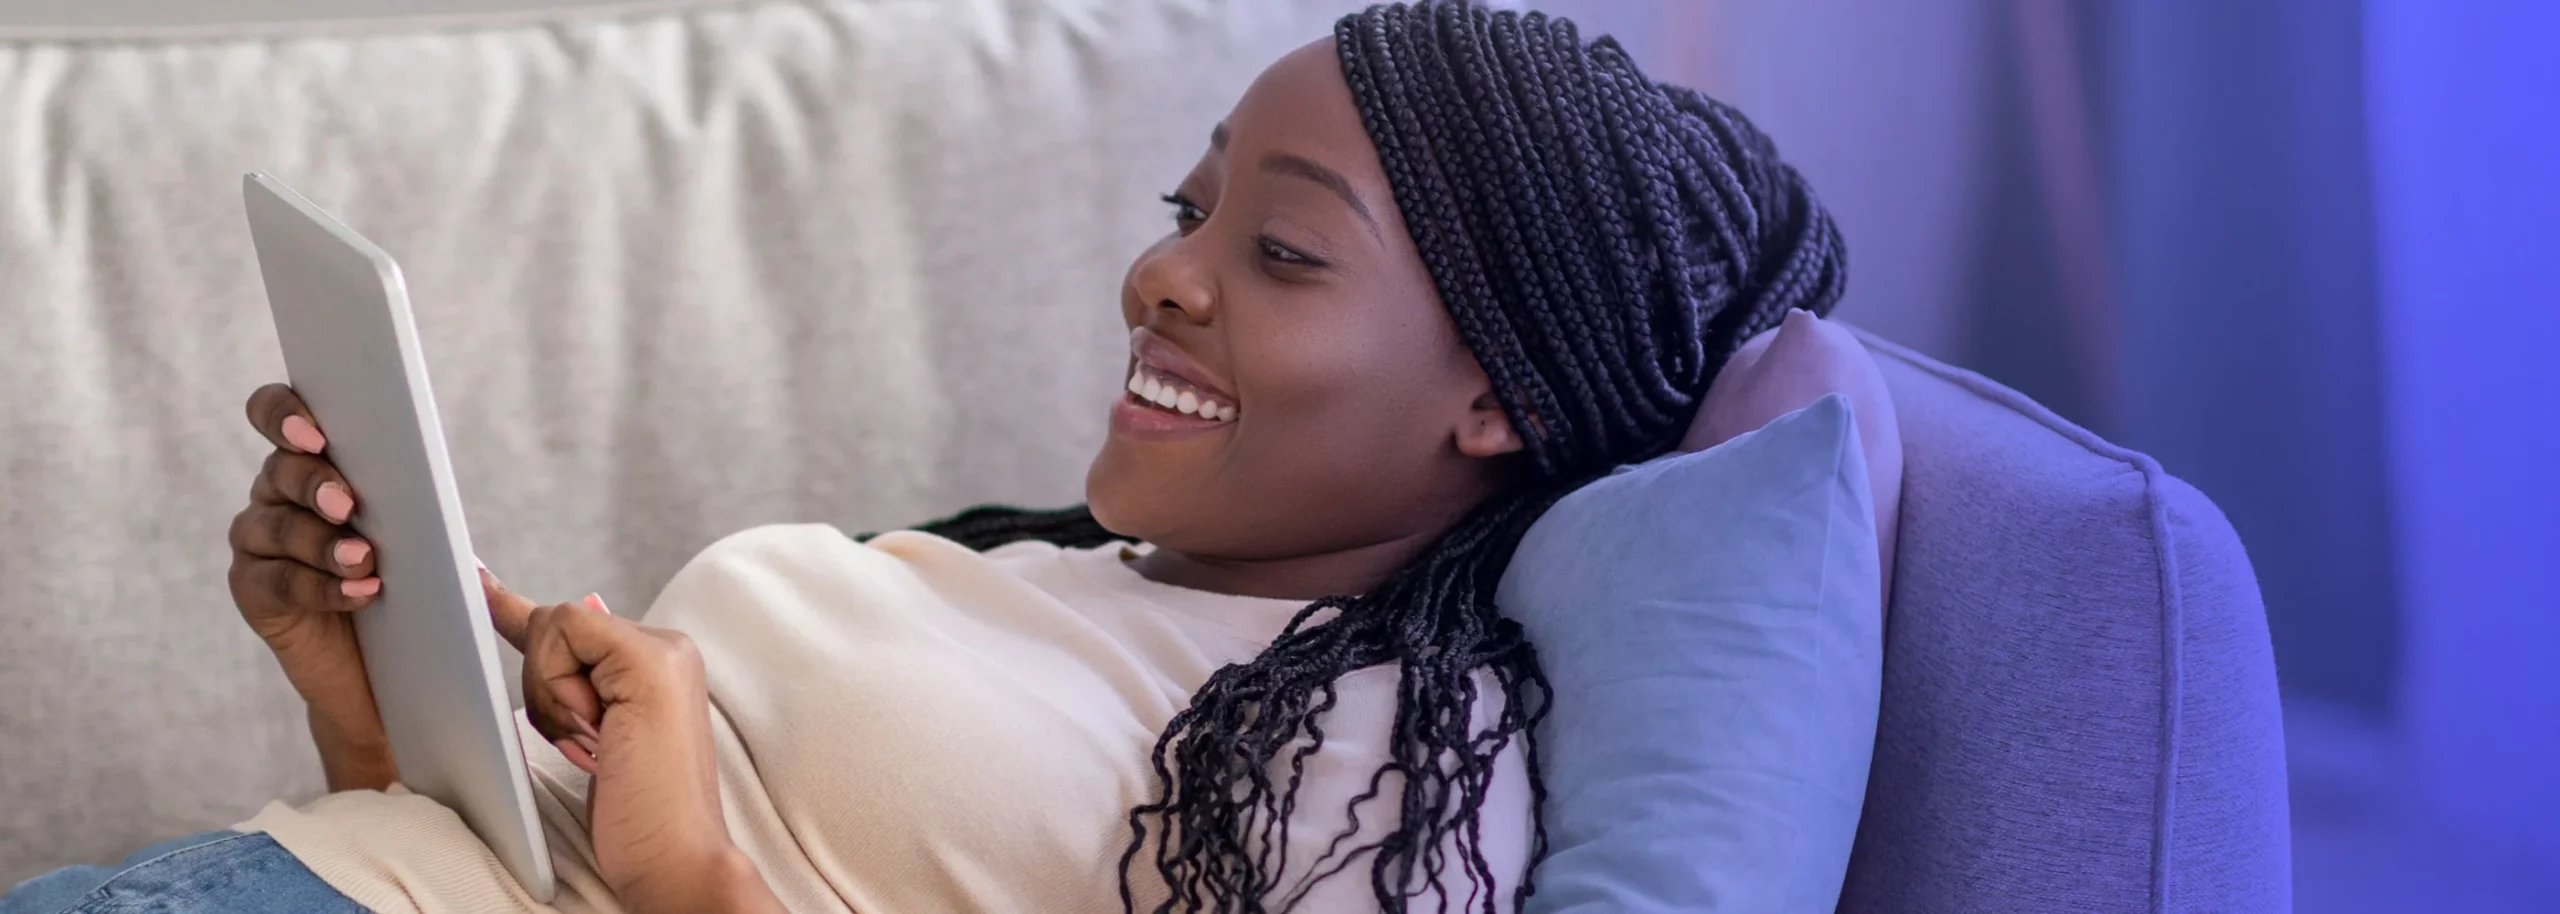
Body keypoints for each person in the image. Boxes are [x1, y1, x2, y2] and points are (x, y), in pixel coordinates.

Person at [2, 3, 1879, 912]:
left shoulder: (1390, 771)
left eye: (1280, 250)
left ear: (1504, 397)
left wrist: (689, 871)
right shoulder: (1049, 578)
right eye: (1189, 205)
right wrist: (363, 704)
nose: (1162, 271)